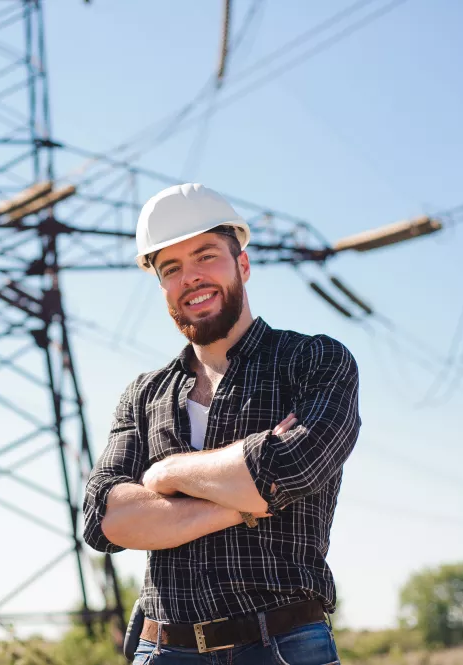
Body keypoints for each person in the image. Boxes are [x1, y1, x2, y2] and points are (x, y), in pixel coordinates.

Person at [83, 183, 361, 664]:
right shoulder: (142, 395)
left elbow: (289, 468)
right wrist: (248, 499)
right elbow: (104, 519)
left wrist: (166, 475)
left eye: (205, 256)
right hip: (164, 648)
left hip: (285, 646)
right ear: (163, 287)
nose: (190, 277)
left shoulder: (313, 361)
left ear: (243, 265)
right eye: (171, 268)